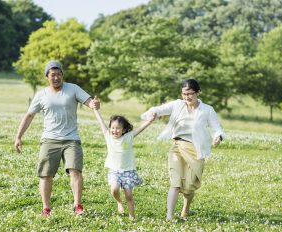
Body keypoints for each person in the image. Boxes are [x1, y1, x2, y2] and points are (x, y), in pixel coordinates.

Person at [14, 61, 100, 217]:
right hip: (49, 140)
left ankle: (78, 205)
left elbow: (89, 102)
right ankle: (46, 208)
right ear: (47, 77)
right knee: (45, 174)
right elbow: (29, 115)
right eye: (52, 75)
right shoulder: (41, 95)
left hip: (71, 139)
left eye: (58, 74)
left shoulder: (73, 89)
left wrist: (94, 104)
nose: (56, 78)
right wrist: (18, 136)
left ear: (62, 75)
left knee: (75, 171)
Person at [140, 79, 225, 221]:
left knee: (189, 187)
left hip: (196, 150)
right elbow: (158, 109)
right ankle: (169, 217)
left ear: (198, 93)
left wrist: (218, 137)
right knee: (175, 182)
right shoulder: (177, 105)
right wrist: (152, 113)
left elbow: (217, 128)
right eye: (184, 94)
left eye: (190, 94)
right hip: (178, 147)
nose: (187, 97)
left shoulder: (207, 110)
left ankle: (186, 208)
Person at [93, 104, 156, 220]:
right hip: (114, 171)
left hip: (128, 171)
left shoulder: (128, 137)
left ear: (124, 130)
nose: (114, 130)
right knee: (114, 189)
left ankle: (132, 215)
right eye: (112, 127)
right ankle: (119, 202)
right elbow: (100, 121)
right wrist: (96, 110)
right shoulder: (108, 136)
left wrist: (150, 121)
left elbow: (140, 129)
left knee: (129, 195)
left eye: (118, 128)